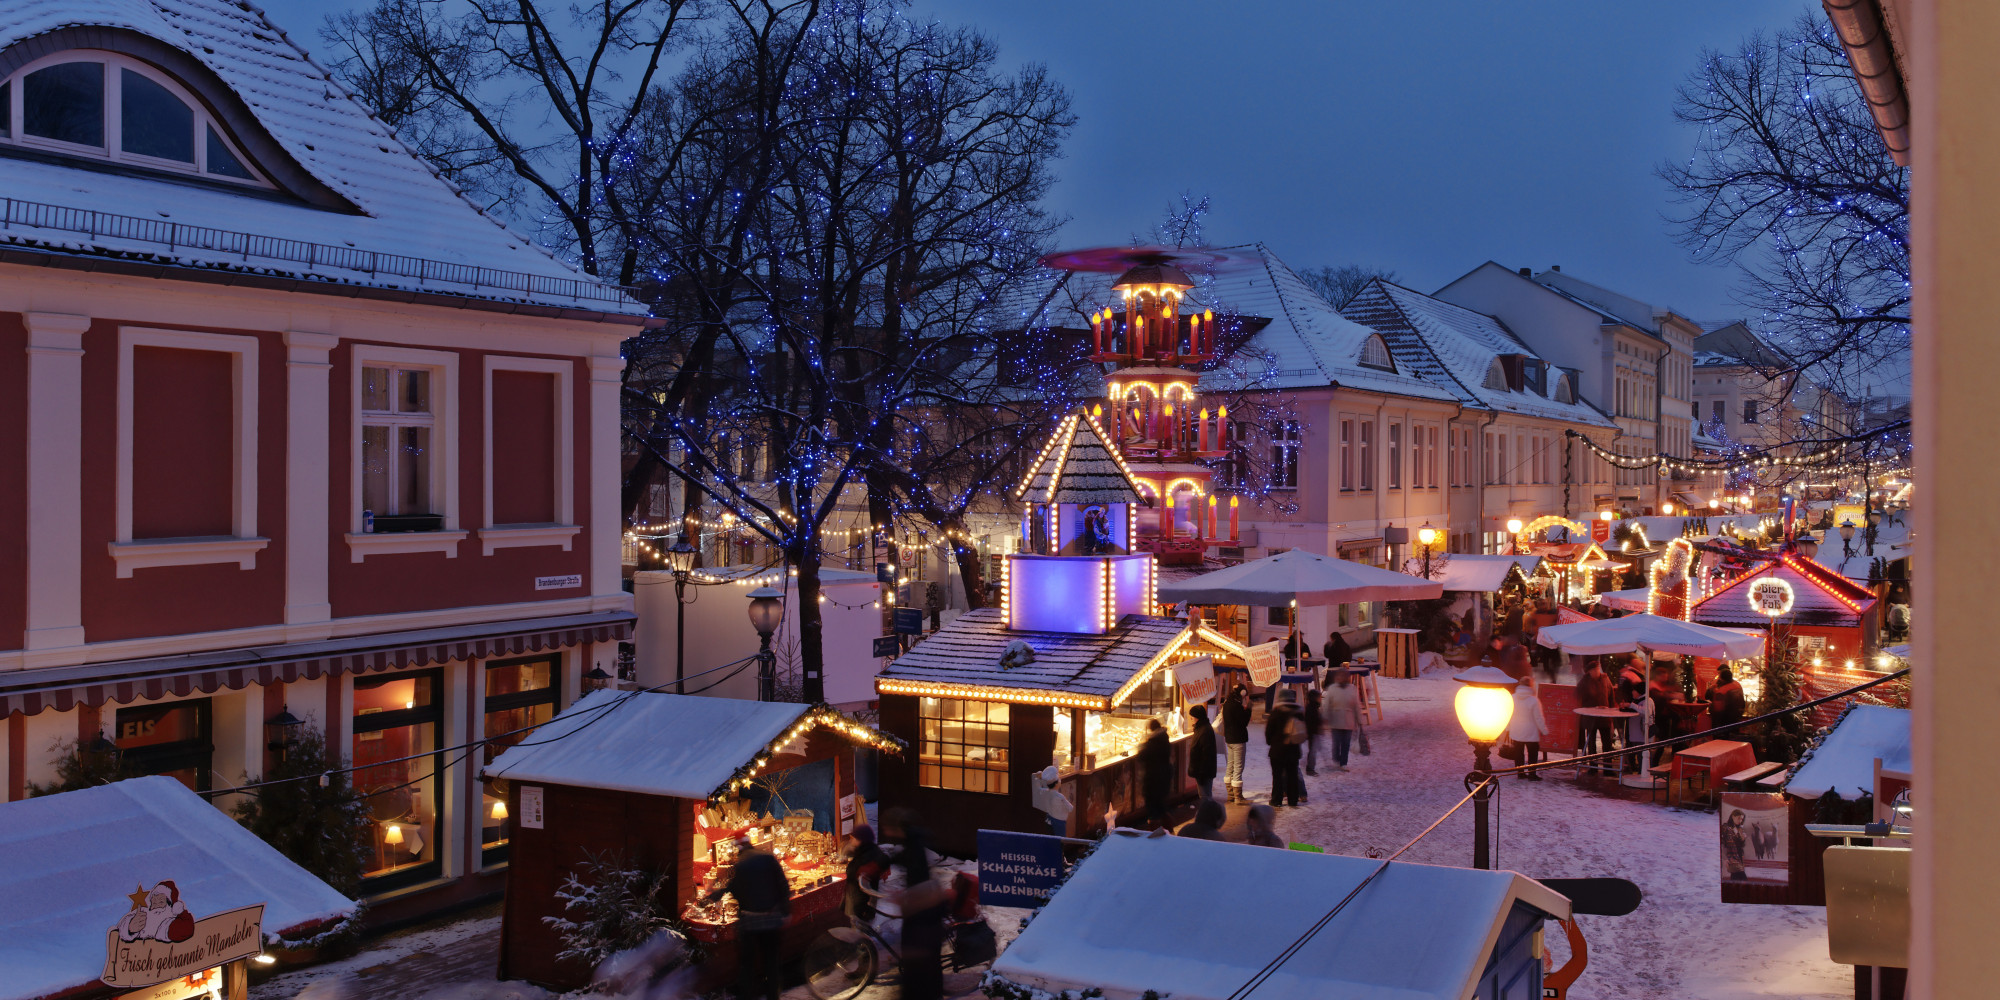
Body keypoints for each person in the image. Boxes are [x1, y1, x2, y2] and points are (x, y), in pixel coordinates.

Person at [702, 837, 789, 1000]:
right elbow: (783, 884)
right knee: (771, 963)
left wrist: (711, 897)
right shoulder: (769, 858)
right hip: (772, 919)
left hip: (750, 922)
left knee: (747, 965)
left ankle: (748, 994)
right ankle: (773, 995)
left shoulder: (741, 864)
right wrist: (785, 910)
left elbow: (733, 889)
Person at [882, 808, 947, 1000]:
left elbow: (915, 873)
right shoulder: (913, 843)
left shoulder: (922, 911)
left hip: (921, 937)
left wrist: (906, 897)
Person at [840, 825, 890, 923]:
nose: (851, 841)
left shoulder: (865, 856)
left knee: (858, 925)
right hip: (863, 898)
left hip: (860, 900)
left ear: (860, 840)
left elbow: (852, 874)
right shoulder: (870, 850)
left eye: (853, 838)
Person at [1265, 690, 1306, 807]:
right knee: (1292, 775)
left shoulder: (1276, 712)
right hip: (1293, 750)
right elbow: (1302, 730)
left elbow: (1269, 730)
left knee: (1277, 776)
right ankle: (1293, 800)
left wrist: (1270, 742)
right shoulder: (1298, 712)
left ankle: (1276, 800)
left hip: (1277, 751)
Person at [1508, 678, 1549, 779]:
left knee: (1518, 753)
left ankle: (1520, 773)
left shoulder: (1512, 697)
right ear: (1531, 686)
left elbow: (1507, 714)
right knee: (1532, 753)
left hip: (1516, 730)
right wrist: (1544, 730)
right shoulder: (1534, 700)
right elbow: (1538, 717)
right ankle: (1532, 774)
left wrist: (1507, 728)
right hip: (1531, 732)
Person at [1322, 670, 1362, 770]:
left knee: (1346, 743)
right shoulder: (1332, 689)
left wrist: (1359, 720)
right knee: (1336, 742)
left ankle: (1343, 762)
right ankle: (1336, 759)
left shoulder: (1352, 689)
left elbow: (1357, 706)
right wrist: (1325, 717)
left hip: (1348, 721)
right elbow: (1327, 705)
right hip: (1336, 721)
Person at [1576, 658, 1616, 758]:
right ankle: (1592, 766)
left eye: (1597, 669)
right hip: (1591, 718)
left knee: (1607, 743)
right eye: (1594, 670)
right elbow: (1577, 695)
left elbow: (1611, 695)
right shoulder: (1585, 681)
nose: (1596, 672)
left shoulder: (1605, 679)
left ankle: (1608, 767)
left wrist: (1611, 711)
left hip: (1605, 717)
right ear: (1589, 671)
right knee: (1591, 743)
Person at [1138, 718, 1172, 827]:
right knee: (1160, 805)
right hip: (1164, 776)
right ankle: (1168, 827)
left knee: (1153, 806)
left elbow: (1141, 756)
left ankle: (1155, 829)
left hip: (1153, 779)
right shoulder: (1164, 738)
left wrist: (1141, 747)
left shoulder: (1153, 742)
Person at [1221, 683, 1252, 803]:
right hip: (1238, 739)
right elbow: (1243, 722)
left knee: (1231, 765)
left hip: (1229, 739)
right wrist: (1248, 709)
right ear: (1242, 693)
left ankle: (1230, 794)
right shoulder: (1236, 705)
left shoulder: (1227, 703)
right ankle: (1238, 796)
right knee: (1238, 767)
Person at [1188, 703, 1218, 801]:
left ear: (1197, 717)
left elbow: (1207, 754)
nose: (1191, 719)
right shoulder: (1201, 729)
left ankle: (1208, 815)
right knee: (1204, 795)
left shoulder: (1205, 731)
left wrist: (1201, 774)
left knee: (1205, 796)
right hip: (1203, 771)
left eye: (1192, 717)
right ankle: (1208, 813)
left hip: (1204, 772)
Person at [1032, 764, 1072, 837]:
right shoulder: (1060, 796)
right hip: (1059, 823)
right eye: (1059, 780)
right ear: (1056, 783)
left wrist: (1037, 778)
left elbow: (1037, 789)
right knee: (1059, 842)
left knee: (1050, 840)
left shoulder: (1045, 792)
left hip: (1049, 820)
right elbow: (1070, 808)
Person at [1704, 666, 1748, 733]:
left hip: (1723, 723)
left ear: (1721, 678)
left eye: (1719, 675)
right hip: (1735, 720)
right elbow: (1742, 703)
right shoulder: (1737, 685)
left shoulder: (1722, 691)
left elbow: (1718, 710)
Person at [1303, 687, 1324, 776]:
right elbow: (1312, 721)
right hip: (1313, 733)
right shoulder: (1312, 709)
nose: (1320, 700)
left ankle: (1309, 766)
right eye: (1319, 698)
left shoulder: (1312, 707)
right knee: (1313, 751)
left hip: (1313, 733)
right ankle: (1310, 769)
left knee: (1314, 750)